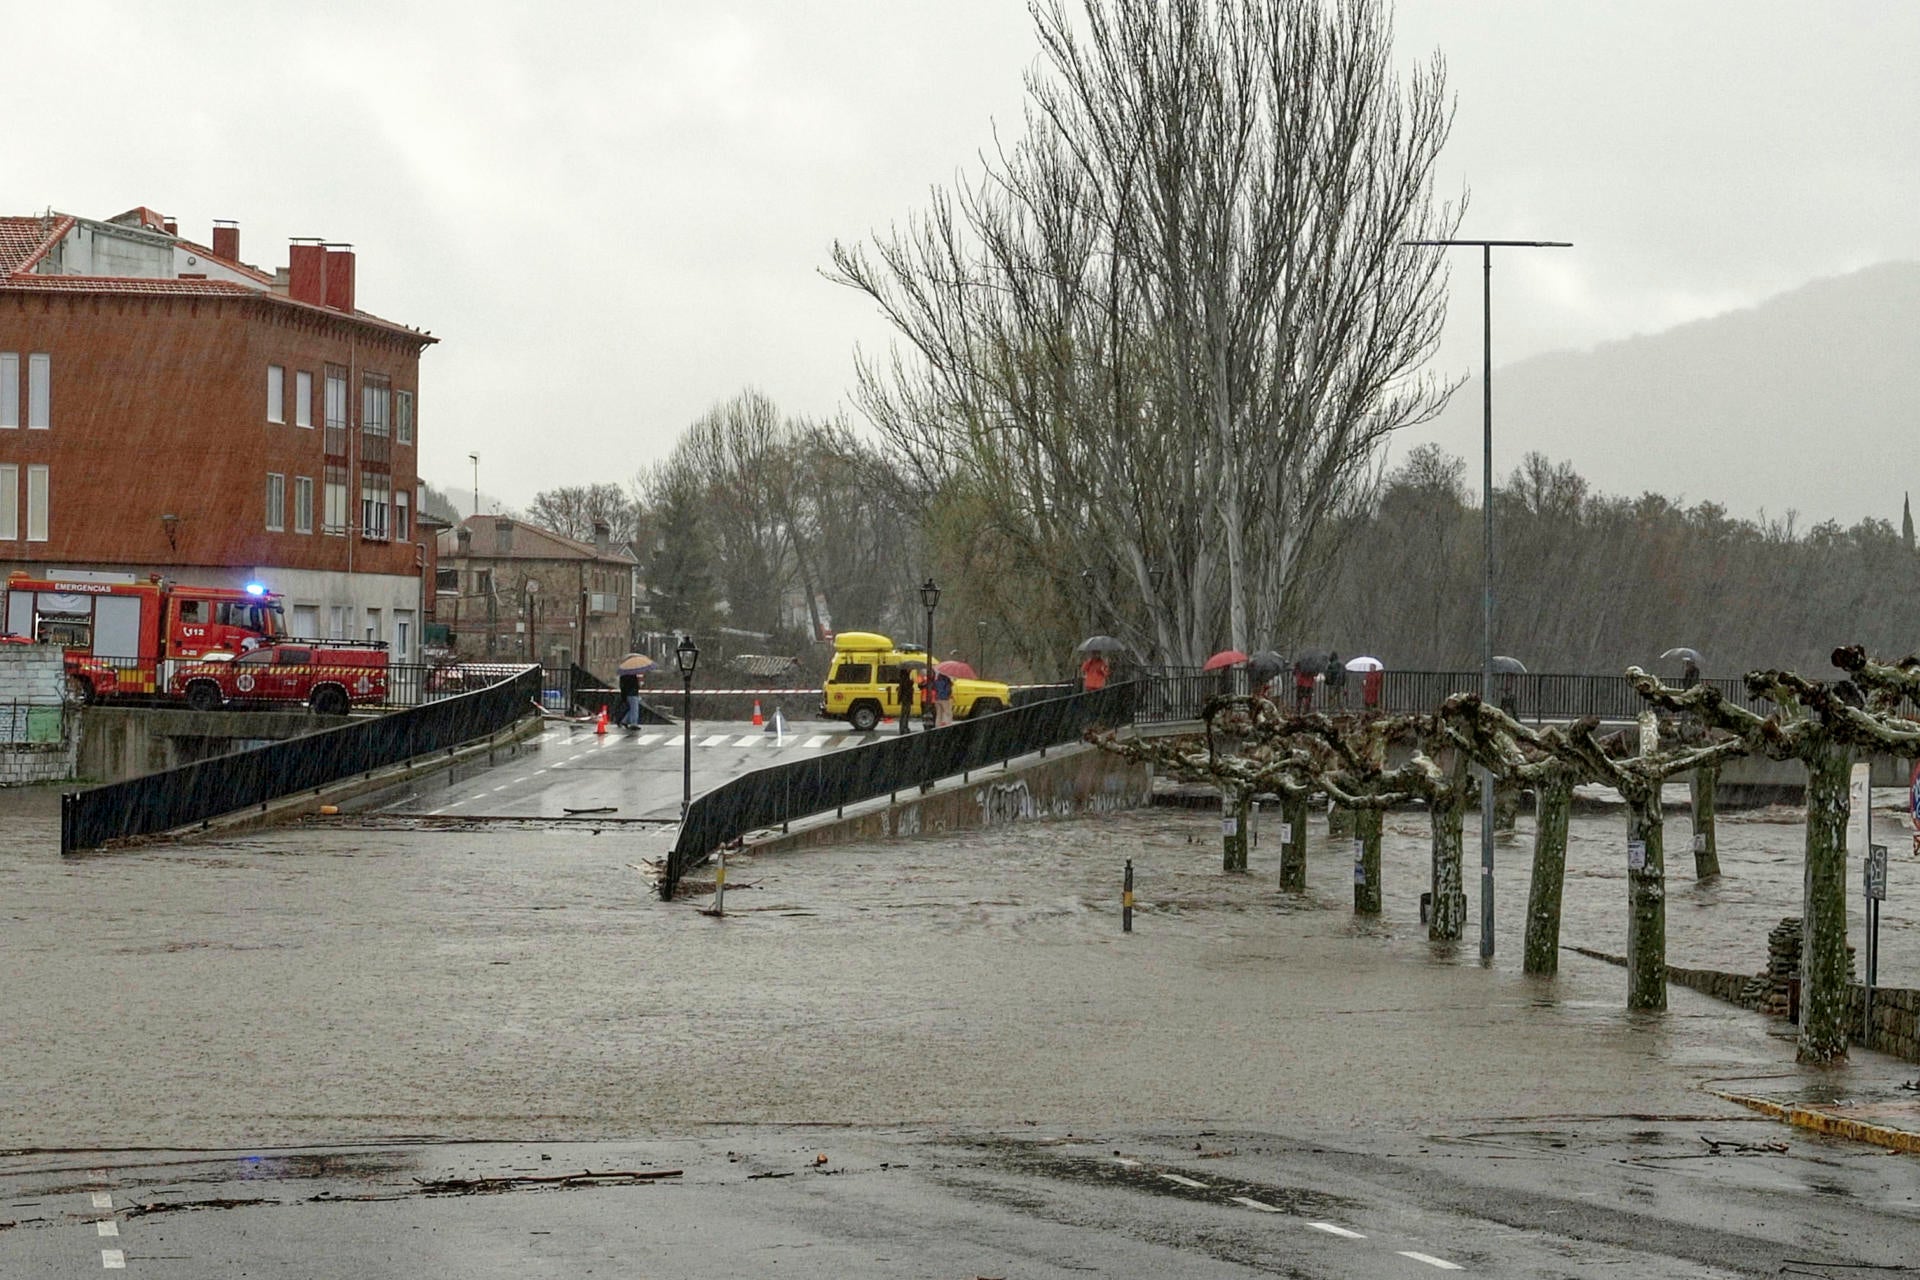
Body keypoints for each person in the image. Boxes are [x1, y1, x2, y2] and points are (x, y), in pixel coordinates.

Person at [894, 665, 916, 734]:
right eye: (909, 669)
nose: (910, 670)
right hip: (906, 698)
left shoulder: (903, 677)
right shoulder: (905, 678)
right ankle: (904, 728)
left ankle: (904, 727)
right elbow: (907, 687)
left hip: (905, 698)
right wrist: (911, 682)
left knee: (904, 713)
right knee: (905, 713)